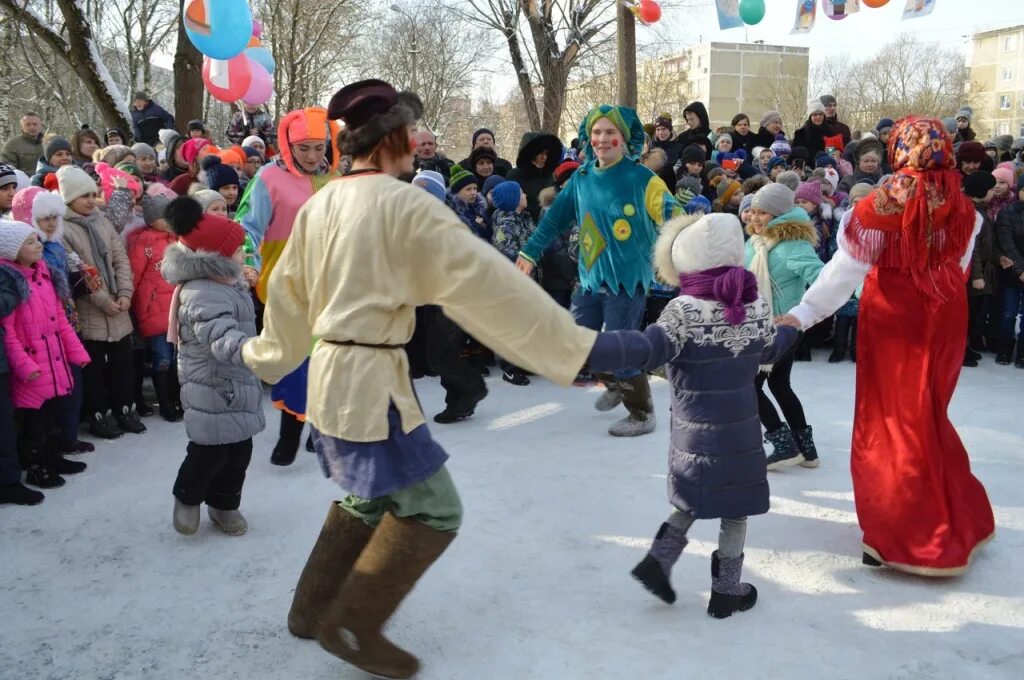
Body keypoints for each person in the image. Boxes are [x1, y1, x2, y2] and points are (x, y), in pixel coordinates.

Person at [240, 79, 596, 680]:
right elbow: (489, 286)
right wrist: (579, 348)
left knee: (367, 495)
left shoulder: (322, 200)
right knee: (434, 508)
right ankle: (352, 623)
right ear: (394, 138)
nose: (416, 146)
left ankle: (310, 610)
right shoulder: (403, 203)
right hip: (369, 381)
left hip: (333, 377)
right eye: (411, 134)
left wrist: (266, 356)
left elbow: (286, 298)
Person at [778, 116, 995, 575]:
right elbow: (957, 267)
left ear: (898, 151)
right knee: (928, 415)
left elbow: (844, 272)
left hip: (897, 319)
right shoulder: (962, 206)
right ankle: (953, 514)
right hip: (946, 316)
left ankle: (906, 534)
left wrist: (802, 314)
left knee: (892, 422)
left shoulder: (879, 206)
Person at [589, 211, 797, 616]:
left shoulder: (683, 310)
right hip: (741, 431)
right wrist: (792, 328)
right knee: (734, 510)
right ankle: (726, 591)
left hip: (695, 431)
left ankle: (658, 562)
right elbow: (771, 348)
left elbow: (650, 349)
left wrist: (594, 346)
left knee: (691, 498)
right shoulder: (754, 305)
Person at [516, 104, 681, 437]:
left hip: (627, 279)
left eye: (610, 132)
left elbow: (672, 215)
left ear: (624, 138)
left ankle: (642, 412)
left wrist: (688, 247)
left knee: (620, 348)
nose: (602, 139)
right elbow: (553, 220)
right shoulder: (581, 177)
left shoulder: (642, 179)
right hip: (590, 278)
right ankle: (618, 383)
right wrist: (530, 252)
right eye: (596, 132)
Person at [237, 107, 341, 465]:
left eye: (319, 147)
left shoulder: (336, 177)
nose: (313, 156)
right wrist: (249, 263)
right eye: (304, 149)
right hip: (286, 285)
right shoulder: (269, 178)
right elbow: (247, 226)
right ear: (288, 145)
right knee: (296, 359)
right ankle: (290, 433)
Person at [162, 196, 265, 536]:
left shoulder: (226, 283)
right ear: (214, 259)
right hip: (211, 385)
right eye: (237, 250)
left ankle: (224, 504)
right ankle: (188, 497)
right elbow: (219, 334)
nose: (243, 254)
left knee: (239, 453)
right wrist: (253, 350)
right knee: (208, 452)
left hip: (237, 381)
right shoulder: (201, 293)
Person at [1, 219, 91, 489]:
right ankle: (38, 466)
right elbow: (9, 334)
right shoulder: (13, 283)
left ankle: (54, 458)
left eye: (36, 239)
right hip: (32, 366)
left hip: (53, 361)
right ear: (12, 251)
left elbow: (60, 320)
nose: (38, 245)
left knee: (52, 417)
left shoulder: (44, 275)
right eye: (29, 242)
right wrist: (25, 366)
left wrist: (76, 351)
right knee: (34, 425)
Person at [57, 165, 144, 438]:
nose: (91, 200)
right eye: (84, 196)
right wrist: (104, 301)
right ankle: (100, 414)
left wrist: (126, 294)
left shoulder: (102, 221)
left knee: (123, 364)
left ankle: (125, 409)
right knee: (94, 367)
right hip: (91, 310)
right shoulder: (64, 230)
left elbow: (120, 259)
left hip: (119, 305)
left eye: (93, 194)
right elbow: (77, 272)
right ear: (69, 199)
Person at [744, 183, 823, 469]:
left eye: (762, 212)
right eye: (752, 211)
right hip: (759, 325)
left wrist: (803, 311)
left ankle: (783, 442)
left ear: (778, 214)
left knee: (749, 385)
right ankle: (807, 450)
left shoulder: (792, 245)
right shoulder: (756, 242)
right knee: (779, 384)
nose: (754, 218)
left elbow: (821, 277)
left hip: (783, 328)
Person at [9, 186, 94, 454]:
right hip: (36, 334)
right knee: (42, 395)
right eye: (45, 218)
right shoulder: (23, 255)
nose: (51, 224)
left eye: (55, 217)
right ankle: (47, 451)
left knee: (69, 383)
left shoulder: (56, 246)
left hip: (63, 323)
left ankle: (65, 438)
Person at [127, 194, 182, 421]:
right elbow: (134, 277)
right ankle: (166, 403)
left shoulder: (177, 239)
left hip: (177, 309)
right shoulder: (144, 242)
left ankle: (177, 398)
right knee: (162, 359)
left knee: (178, 358)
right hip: (155, 312)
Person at [491, 180, 535, 386]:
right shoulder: (507, 222)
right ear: (514, 199)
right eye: (521, 192)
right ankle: (509, 368)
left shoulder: (523, 218)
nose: (525, 194)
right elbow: (504, 252)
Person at [962, 172, 998, 368]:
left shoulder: (982, 210)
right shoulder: (972, 213)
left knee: (975, 312)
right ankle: (961, 349)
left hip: (981, 271)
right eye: (991, 189)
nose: (994, 192)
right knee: (967, 314)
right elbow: (972, 248)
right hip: (971, 274)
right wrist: (976, 275)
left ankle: (966, 345)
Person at [994, 173, 1024, 367]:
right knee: (1008, 312)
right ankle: (1005, 347)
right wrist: (1021, 269)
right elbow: (1006, 243)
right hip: (1012, 271)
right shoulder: (1007, 213)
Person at [506, 131, 562, 222]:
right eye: (540, 153)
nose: (544, 157)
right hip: (524, 227)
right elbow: (510, 207)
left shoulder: (548, 176)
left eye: (546, 153)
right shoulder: (515, 176)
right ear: (530, 154)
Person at [649, 114, 683, 191]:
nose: (661, 133)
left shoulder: (679, 146)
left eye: (664, 129)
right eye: (658, 129)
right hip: (654, 188)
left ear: (670, 130)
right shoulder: (650, 147)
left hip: (673, 189)